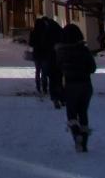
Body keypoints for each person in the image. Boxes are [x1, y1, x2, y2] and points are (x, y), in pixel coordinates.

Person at [56, 23, 97, 152]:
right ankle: (84, 142)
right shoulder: (84, 50)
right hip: (86, 85)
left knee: (72, 113)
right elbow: (92, 68)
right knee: (83, 112)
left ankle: (76, 134)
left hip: (70, 85)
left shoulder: (61, 52)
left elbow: (57, 70)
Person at [44, 18, 65, 109]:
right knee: (59, 79)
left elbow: (44, 44)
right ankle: (62, 98)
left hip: (50, 58)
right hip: (59, 58)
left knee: (52, 79)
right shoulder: (59, 31)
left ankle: (55, 98)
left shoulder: (47, 32)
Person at [29, 17, 50, 94]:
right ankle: (44, 87)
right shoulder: (46, 32)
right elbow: (49, 44)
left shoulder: (33, 32)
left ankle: (38, 86)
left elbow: (31, 44)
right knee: (44, 72)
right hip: (45, 54)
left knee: (37, 71)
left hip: (36, 54)